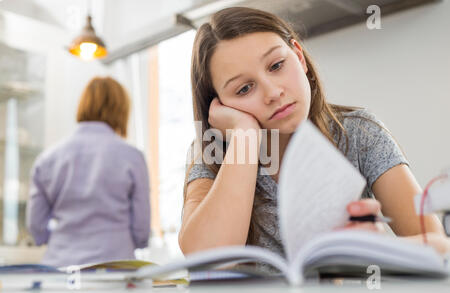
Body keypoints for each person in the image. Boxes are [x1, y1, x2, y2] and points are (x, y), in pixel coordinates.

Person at [178, 7, 450, 264]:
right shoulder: (214, 152)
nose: (273, 93)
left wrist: (377, 249)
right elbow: (207, 259)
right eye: (244, 89)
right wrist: (246, 137)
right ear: (220, 105)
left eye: (276, 66)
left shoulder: (358, 133)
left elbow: (439, 246)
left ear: (298, 56)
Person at [26, 76, 151, 267]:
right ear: (121, 110)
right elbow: (141, 232)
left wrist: (64, 243)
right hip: (116, 270)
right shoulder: (132, 157)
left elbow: (36, 229)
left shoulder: (47, 159)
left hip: (60, 270)